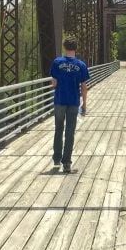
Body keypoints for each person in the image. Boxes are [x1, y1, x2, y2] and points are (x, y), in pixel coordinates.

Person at [49, 37, 90, 173]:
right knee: (70, 132)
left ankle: (56, 158)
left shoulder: (57, 62)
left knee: (58, 129)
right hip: (73, 102)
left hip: (59, 100)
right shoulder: (81, 65)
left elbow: (54, 83)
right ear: (76, 48)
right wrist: (84, 104)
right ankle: (67, 163)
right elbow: (84, 87)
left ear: (64, 47)